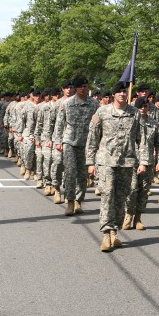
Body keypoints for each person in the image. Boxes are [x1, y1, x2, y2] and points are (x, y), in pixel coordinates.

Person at [87, 81, 148, 252]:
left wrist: (143, 161)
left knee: (121, 197)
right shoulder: (102, 112)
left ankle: (114, 230)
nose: (122, 94)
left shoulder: (134, 113)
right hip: (106, 161)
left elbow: (141, 139)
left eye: (124, 91)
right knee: (107, 195)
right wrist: (90, 162)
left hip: (127, 162)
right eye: (119, 91)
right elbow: (92, 138)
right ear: (114, 94)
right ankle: (106, 233)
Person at [54, 76, 99, 216]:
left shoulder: (94, 104)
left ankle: (79, 201)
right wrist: (58, 141)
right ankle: (70, 201)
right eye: (80, 86)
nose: (82, 88)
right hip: (70, 142)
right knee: (70, 172)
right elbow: (59, 123)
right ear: (75, 88)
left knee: (82, 174)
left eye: (85, 86)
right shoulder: (67, 103)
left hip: (86, 143)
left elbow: (98, 124)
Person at [123, 97, 159, 231]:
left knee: (144, 191)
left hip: (148, 162)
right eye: (139, 106)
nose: (142, 108)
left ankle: (138, 218)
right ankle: (128, 215)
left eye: (145, 106)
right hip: (132, 160)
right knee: (132, 189)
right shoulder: (130, 121)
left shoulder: (154, 123)